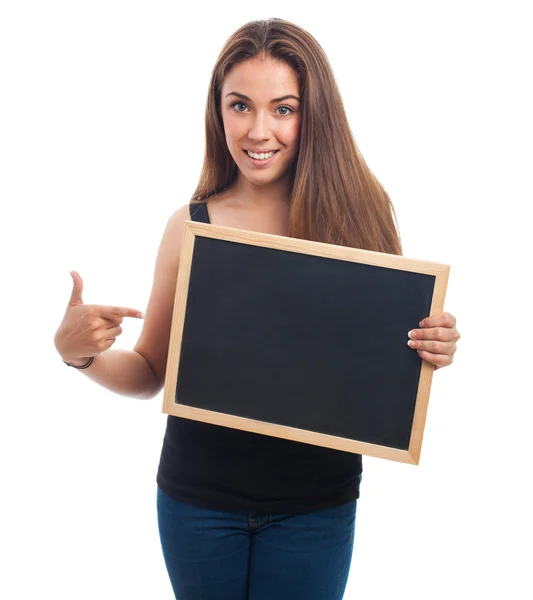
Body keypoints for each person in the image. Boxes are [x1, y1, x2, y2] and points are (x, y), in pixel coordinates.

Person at [54, 17, 461, 600]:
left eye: (284, 109)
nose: (258, 129)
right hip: (197, 503)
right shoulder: (191, 225)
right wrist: (80, 357)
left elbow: (382, 364)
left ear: (312, 115)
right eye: (240, 105)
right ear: (217, 111)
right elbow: (150, 373)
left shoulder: (360, 221)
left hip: (315, 506)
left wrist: (431, 347)